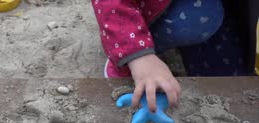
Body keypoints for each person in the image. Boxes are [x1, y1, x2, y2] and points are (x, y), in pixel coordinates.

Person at [91, 0, 258, 112]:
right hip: (141, 12)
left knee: (228, 81)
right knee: (197, 19)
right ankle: (129, 56)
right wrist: (137, 56)